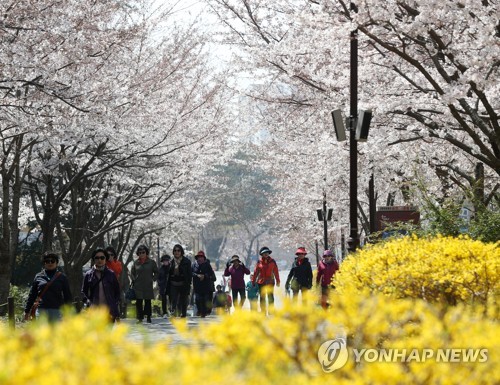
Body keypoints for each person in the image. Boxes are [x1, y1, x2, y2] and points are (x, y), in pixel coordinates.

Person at [24, 251, 72, 323]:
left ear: (56, 263)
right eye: (47, 261)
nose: (50, 263)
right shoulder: (38, 276)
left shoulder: (62, 277)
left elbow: (67, 296)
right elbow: (32, 295)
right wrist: (27, 311)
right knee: (42, 333)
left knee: (56, 333)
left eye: (52, 261)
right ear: (44, 263)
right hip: (41, 310)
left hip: (57, 310)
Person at [81, 248, 121, 322]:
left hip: (109, 312)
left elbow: (117, 292)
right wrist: (88, 301)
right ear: (94, 259)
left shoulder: (111, 274)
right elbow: (84, 291)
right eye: (97, 258)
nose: (99, 260)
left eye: (102, 258)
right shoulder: (88, 274)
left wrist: (114, 305)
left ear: (106, 259)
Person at [131, 244, 158, 323]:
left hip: (148, 285)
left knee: (147, 301)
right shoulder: (136, 263)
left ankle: (148, 317)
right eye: (140, 253)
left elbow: (156, 272)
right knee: (139, 302)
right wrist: (134, 280)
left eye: (143, 252)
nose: (141, 254)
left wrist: (153, 279)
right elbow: (132, 273)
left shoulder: (151, 262)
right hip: (138, 286)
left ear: (146, 253)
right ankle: (140, 318)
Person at [252, 246, 280, 315]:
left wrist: (278, 281)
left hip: (270, 282)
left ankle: (271, 311)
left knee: (270, 297)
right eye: (264, 253)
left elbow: (276, 271)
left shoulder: (272, 261)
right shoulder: (259, 262)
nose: (266, 254)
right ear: (261, 254)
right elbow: (256, 272)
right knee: (262, 297)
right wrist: (253, 281)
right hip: (261, 282)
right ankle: (263, 312)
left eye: (267, 253)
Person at [168, 244, 192, 317]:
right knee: (173, 298)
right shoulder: (171, 262)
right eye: (175, 250)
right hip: (173, 283)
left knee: (183, 299)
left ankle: (183, 313)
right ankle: (173, 311)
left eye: (178, 250)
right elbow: (168, 273)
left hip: (183, 283)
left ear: (181, 252)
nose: (177, 252)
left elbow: (189, 273)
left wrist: (189, 283)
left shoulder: (186, 261)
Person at [191, 250, 217, 318]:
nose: (200, 258)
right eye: (199, 257)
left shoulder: (207, 265)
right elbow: (191, 273)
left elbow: (211, 274)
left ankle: (204, 313)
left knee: (205, 299)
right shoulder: (194, 265)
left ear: (204, 258)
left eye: (201, 257)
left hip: (206, 286)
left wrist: (204, 276)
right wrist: (197, 275)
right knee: (197, 299)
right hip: (197, 286)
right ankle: (199, 311)